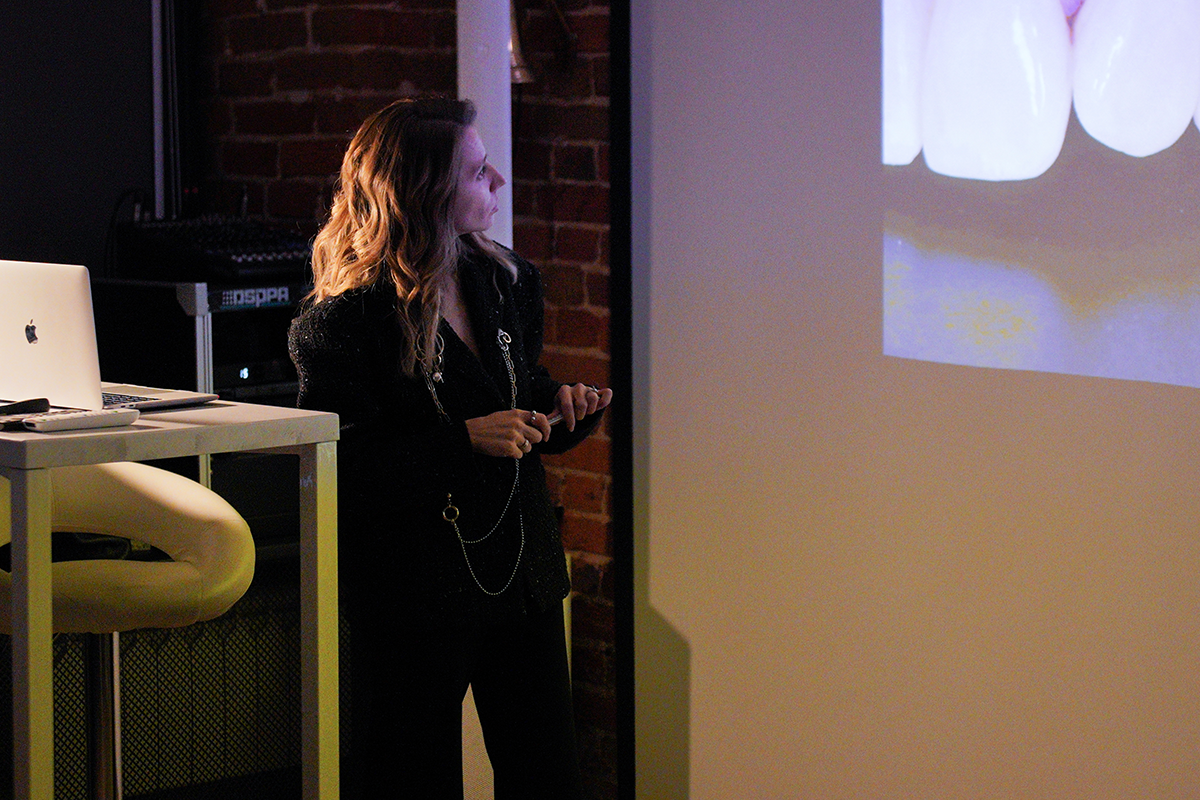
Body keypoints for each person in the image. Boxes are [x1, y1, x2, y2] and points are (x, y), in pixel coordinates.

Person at [288, 97, 612, 799]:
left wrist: (562, 409)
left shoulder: (507, 280)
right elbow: (343, 469)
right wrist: (462, 441)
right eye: (477, 171)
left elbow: (518, 390)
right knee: (409, 781)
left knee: (548, 780)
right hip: (413, 595)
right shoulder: (343, 322)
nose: (498, 181)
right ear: (425, 192)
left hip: (519, 574)